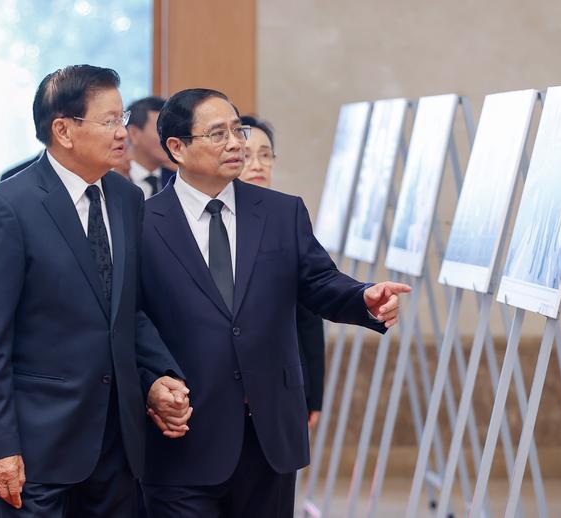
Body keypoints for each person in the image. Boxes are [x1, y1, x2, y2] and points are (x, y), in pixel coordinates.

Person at [138, 88, 410, 517]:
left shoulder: (281, 212)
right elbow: (131, 318)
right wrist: (152, 381)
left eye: (237, 130)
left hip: (267, 431)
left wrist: (363, 298)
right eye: (217, 133)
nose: (236, 144)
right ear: (177, 148)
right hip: (183, 433)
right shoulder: (142, 222)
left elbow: (319, 281)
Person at [0, 64, 192, 518]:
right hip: (38, 444)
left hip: (117, 439)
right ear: (63, 130)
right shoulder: (7, 207)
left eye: (122, 118)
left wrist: (157, 376)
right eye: (109, 121)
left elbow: (127, 309)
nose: (122, 133)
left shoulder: (126, 199)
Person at [239, 114, 324, 429]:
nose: (257, 165)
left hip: (280, 387)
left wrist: (313, 392)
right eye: (247, 156)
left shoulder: (287, 218)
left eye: (265, 155)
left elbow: (308, 317)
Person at [126, 96, 174, 197]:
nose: (170, 139)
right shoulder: (114, 181)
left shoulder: (176, 180)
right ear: (133, 134)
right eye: (161, 131)